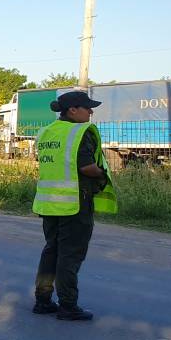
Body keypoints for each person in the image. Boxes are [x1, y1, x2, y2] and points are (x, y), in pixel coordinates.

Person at [32, 90, 117, 321]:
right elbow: (87, 167)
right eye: (87, 108)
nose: (91, 112)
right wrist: (103, 174)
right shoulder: (80, 132)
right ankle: (68, 306)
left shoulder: (47, 132)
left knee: (51, 250)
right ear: (72, 110)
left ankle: (42, 300)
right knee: (70, 255)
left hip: (49, 203)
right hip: (74, 203)